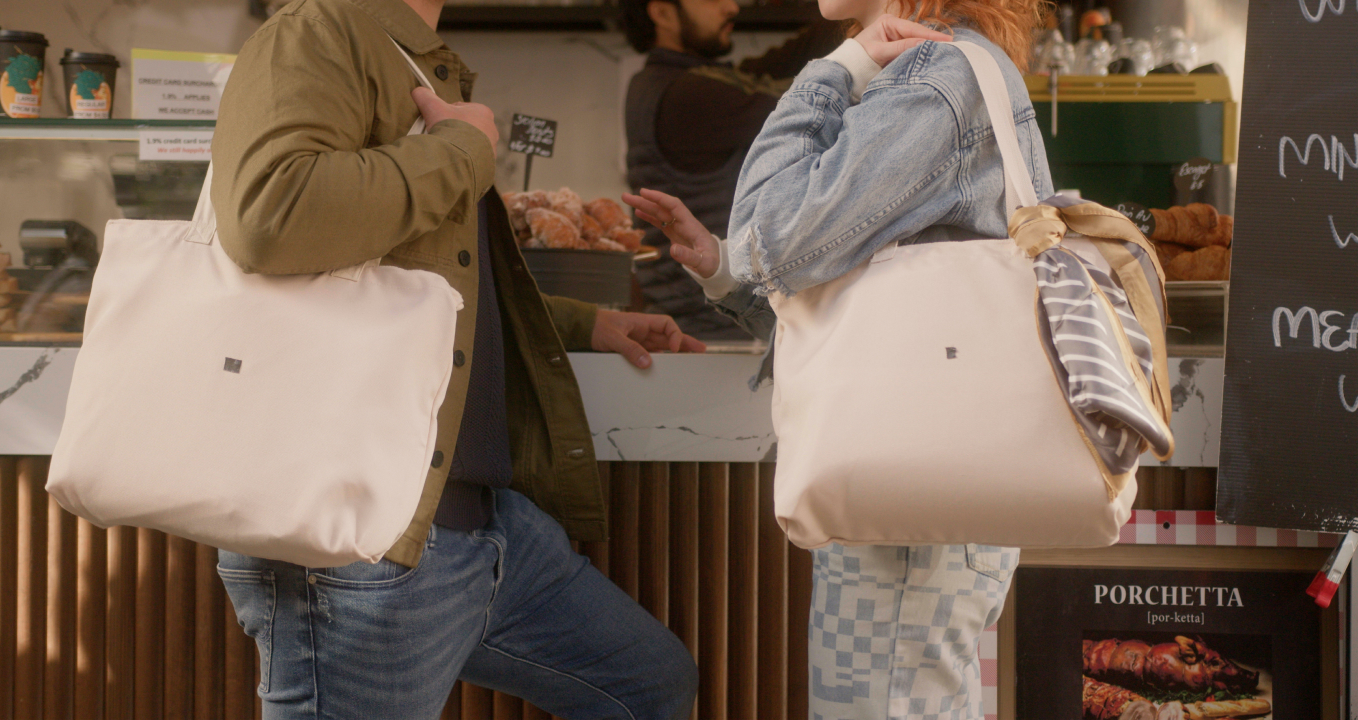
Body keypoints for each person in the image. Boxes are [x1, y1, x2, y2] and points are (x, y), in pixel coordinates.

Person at [207, 0, 703, 717]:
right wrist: (461, 148)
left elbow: (422, 276)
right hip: (359, 539)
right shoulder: (316, 30)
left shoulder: (409, 55)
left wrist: (583, 322)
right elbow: (267, 215)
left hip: (481, 525)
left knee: (648, 684)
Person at [625, 0, 1052, 715]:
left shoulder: (934, 77)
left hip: (910, 505)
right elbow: (846, 297)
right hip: (915, 490)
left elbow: (767, 233)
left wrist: (832, 69)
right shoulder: (941, 68)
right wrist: (726, 271)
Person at [620, 0, 844, 339]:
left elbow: (795, 57)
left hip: (711, 316)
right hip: (719, 328)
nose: (731, 7)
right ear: (662, 13)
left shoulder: (671, 82)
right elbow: (812, 103)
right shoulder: (689, 94)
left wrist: (851, 13)